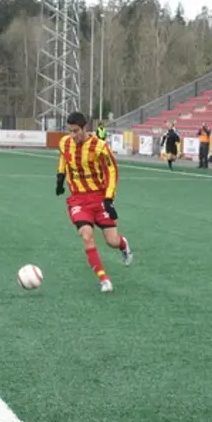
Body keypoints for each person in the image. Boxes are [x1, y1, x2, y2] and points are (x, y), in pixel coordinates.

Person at [56, 111, 133, 293]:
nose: (72, 136)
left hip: (99, 198)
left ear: (85, 128)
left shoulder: (99, 147)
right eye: (70, 131)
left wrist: (108, 199)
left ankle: (123, 245)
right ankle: (103, 279)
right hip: (78, 200)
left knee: (112, 241)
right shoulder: (65, 143)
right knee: (86, 235)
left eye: (76, 131)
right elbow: (63, 158)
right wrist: (60, 176)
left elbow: (112, 171)